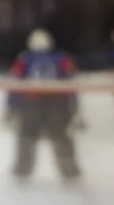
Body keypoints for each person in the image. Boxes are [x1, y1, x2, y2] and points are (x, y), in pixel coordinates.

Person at [5, 29, 81, 179]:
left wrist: (12, 107)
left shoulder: (24, 58)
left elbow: (15, 84)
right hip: (57, 104)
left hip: (31, 104)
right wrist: (74, 109)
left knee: (27, 137)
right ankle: (70, 171)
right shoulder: (61, 58)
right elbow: (71, 84)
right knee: (61, 137)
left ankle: (22, 170)